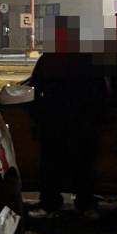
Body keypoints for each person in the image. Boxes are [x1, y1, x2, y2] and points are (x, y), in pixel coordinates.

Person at [28, 16, 106, 219]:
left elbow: (34, 88)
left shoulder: (50, 59)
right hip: (81, 121)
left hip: (56, 120)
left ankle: (51, 203)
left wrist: (36, 114)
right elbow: (101, 91)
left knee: (52, 164)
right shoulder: (89, 59)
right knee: (83, 164)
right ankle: (85, 203)